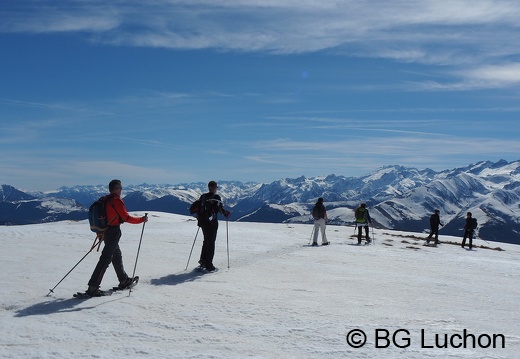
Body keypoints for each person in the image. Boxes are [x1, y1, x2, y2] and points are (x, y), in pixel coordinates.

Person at [86, 179, 148, 296]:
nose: (121, 190)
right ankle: (93, 287)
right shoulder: (116, 201)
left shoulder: (105, 199)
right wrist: (141, 220)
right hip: (113, 232)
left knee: (116, 255)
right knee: (106, 258)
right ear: (116, 189)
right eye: (120, 188)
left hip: (105, 231)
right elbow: (126, 218)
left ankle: (123, 280)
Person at [197, 181, 230, 272]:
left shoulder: (203, 196)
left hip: (203, 222)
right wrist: (225, 214)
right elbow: (219, 209)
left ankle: (203, 260)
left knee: (206, 240)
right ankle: (209, 265)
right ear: (214, 187)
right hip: (212, 223)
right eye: (216, 187)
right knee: (211, 242)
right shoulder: (216, 197)